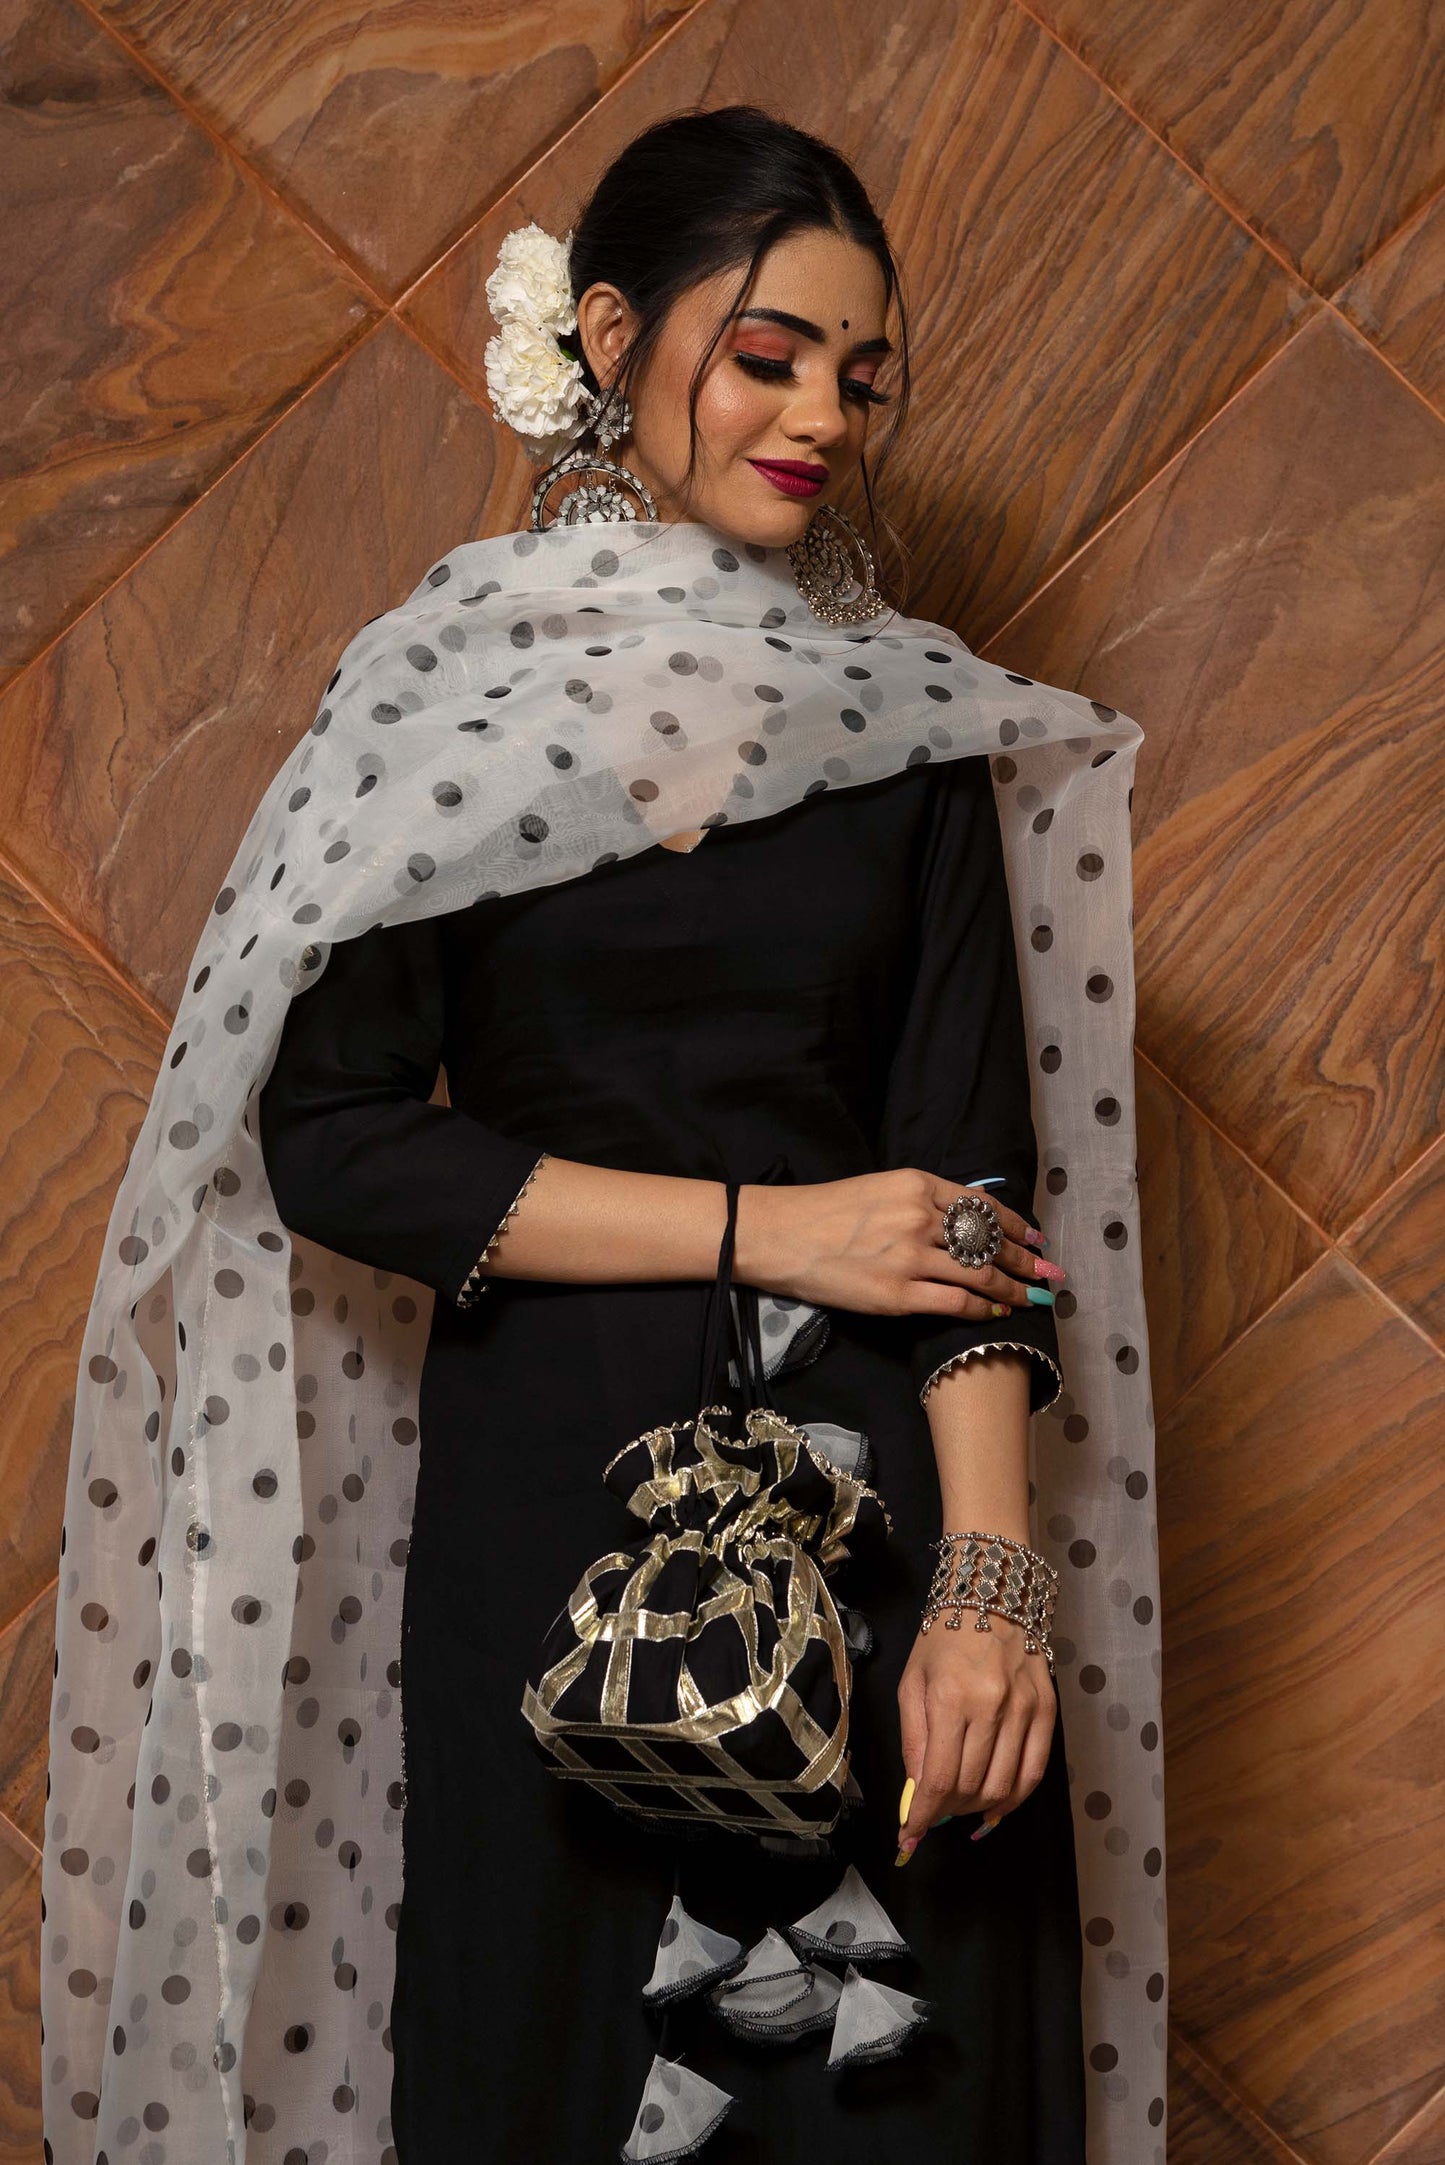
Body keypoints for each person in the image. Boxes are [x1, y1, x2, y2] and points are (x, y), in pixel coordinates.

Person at [42, 102, 1161, 2165]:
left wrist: (993, 1589)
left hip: (877, 1530)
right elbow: (336, 1142)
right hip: (551, 1537)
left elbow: (974, 1184)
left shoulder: (903, 733)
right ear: (617, 339)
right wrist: (769, 1229)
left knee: (896, 2098)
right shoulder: (443, 711)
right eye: (769, 356)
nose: (819, 416)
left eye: (860, 374)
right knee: (549, 2087)